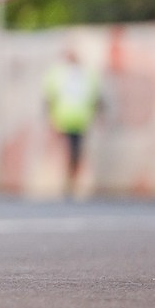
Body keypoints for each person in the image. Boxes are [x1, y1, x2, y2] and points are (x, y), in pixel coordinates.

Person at [43, 44, 104, 198]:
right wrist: (51, 118)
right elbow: (49, 97)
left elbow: (95, 97)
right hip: (63, 121)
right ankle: (66, 181)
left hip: (81, 121)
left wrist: (99, 115)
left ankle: (71, 182)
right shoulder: (58, 74)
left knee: (76, 153)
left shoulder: (87, 75)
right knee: (67, 152)